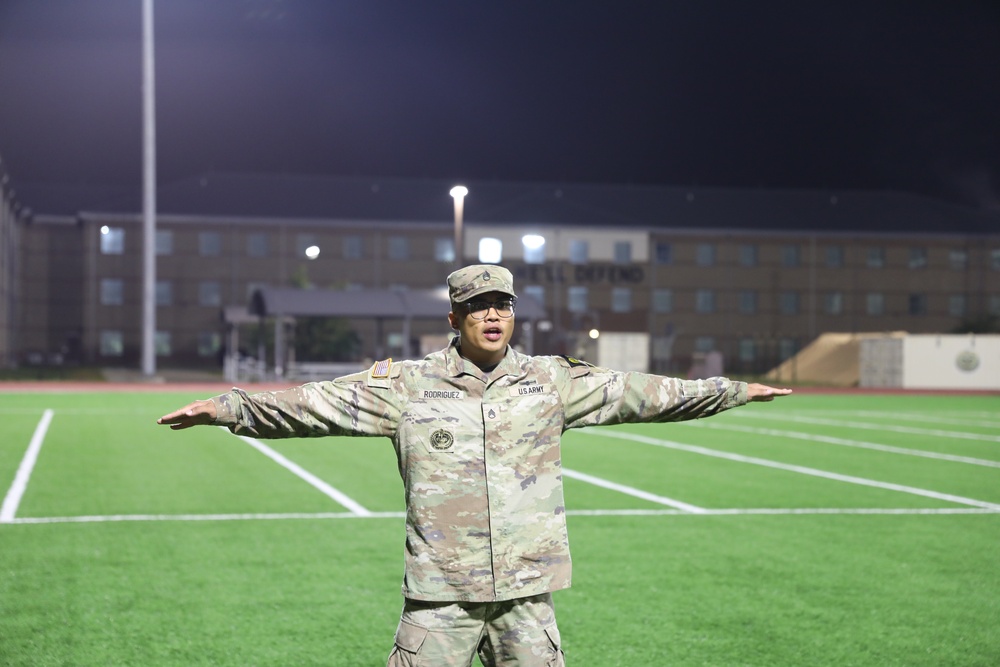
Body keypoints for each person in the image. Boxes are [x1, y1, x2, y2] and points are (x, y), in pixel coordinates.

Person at [158, 264, 792, 666]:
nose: (494, 315)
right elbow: (314, 404)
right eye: (481, 305)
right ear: (455, 317)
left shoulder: (549, 382)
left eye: (504, 305)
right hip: (441, 600)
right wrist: (227, 407)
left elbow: (644, 393)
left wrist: (729, 390)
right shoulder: (407, 385)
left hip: (526, 597)